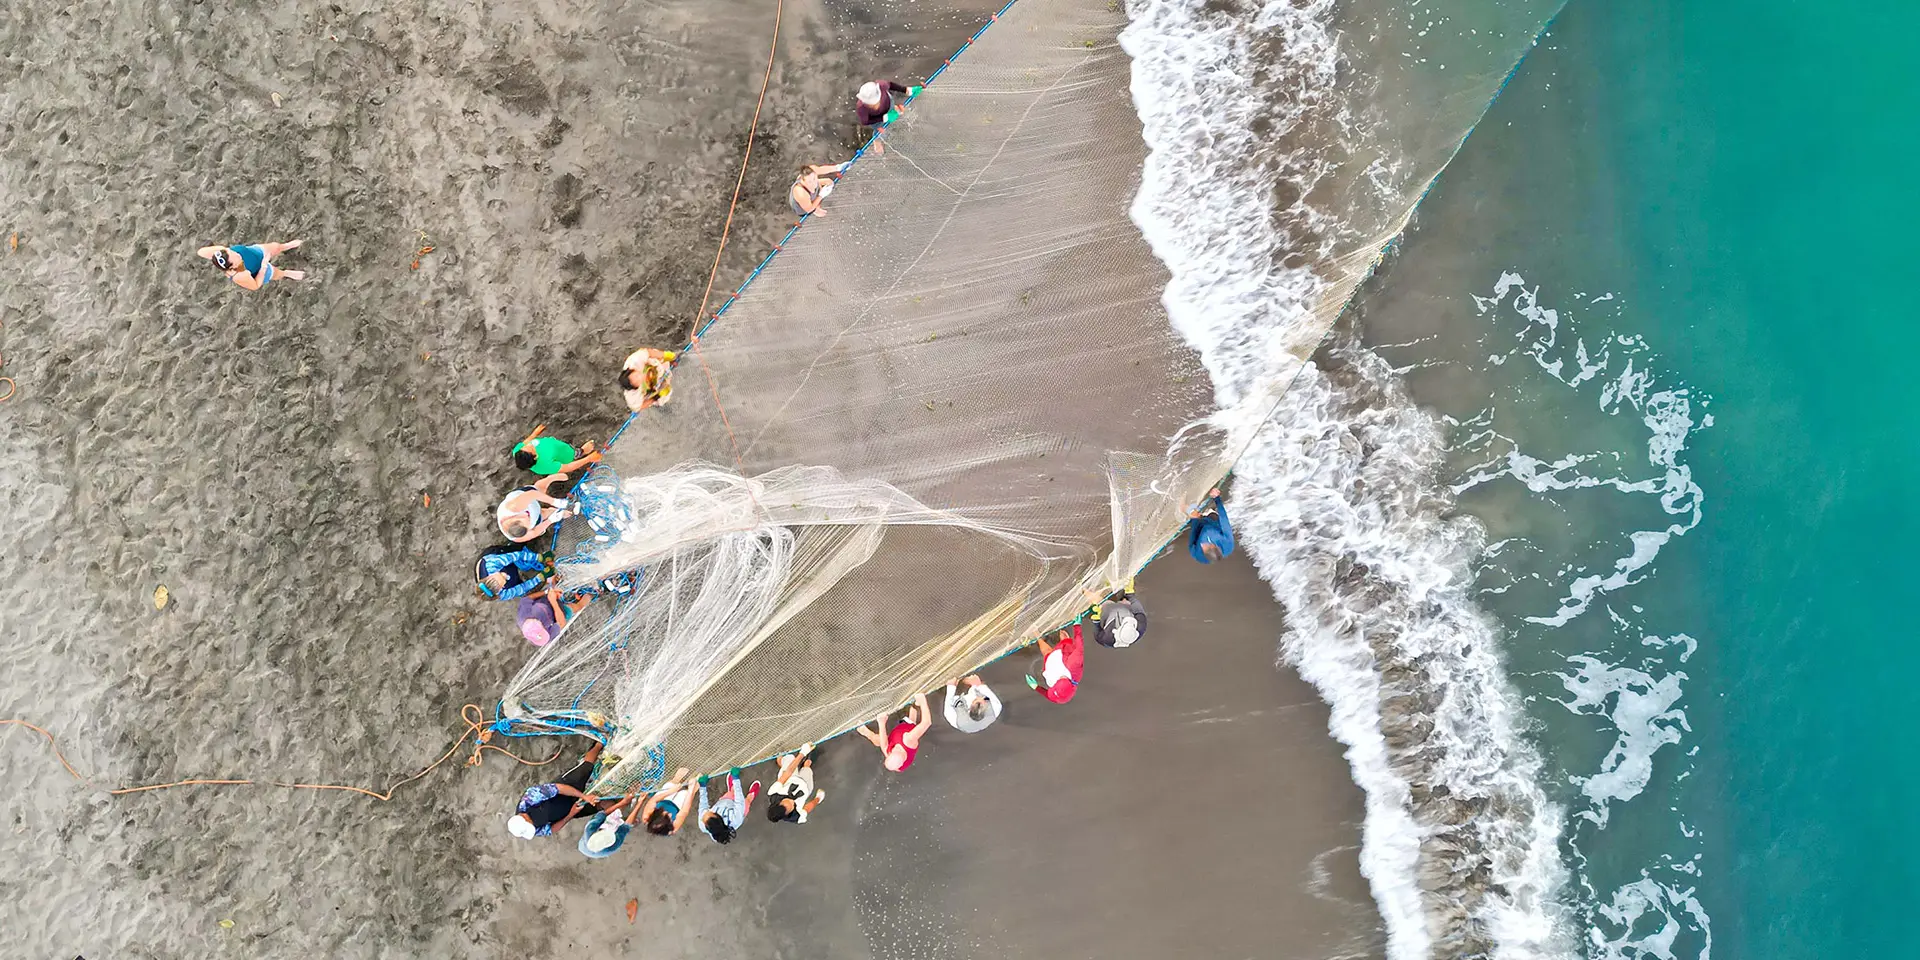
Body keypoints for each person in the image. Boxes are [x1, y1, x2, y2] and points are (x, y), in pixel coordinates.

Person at [507, 741, 605, 840]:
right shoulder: (530, 830)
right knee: (600, 805)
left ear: (523, 817)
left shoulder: (530, 798)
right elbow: (552, 829)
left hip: (565, 789)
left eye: (530, 824)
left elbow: (559, 788)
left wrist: (584, 797)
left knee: (586, 768)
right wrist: (571, 814)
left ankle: (599, 744)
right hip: (568, 811)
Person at [857, 692, 932, 772]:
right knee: (912, 717)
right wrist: (923, 700)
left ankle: (866, 733)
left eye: (892, 751)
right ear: (903, 756)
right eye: (896, 750)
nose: (894, 748)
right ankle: (916, 705)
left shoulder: (889, 751)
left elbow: (884, 745)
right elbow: (927, 722)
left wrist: (881, 722)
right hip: (907, 727)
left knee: (878, 741)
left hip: (896, 735)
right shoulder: (909, 740)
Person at [196, 240, 306, 290]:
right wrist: (264, 265)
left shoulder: (222, 252)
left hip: (253, 252)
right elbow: (255, 285)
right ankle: (287, 273)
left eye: (233, 252)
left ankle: (286, 246)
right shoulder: (239, 275)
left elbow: (200, 252)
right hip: (257, 270)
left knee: (276, 247)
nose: (238, 254)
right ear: (232, 267)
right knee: (277, 273)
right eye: (236, 257)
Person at [496, 472, 572, 542]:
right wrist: (551, 520)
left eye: (526, 519)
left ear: (514, 518)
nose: (527, 516)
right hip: (535, 513)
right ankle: (552, 511)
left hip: (527, 497)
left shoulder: (513, 507)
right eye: (529, 522)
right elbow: (534, 532)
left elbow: (532, 494)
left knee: (540, 489)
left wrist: (555, 502)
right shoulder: (518, 537)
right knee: (543, 513)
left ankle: (549, 479)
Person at [765, 743, 826, 824]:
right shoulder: (796, 817)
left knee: (789, 759)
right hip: (805, 787)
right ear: (787, 814)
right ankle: (805, 765)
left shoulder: (773, 793)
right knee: (807, 765)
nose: (792, 801)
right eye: (792, 805)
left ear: (779, 802)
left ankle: (780, 760)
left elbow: (788, 773)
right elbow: (807, 808)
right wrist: (817, 799)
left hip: (790, 778)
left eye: (787, 801)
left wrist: (803, 753)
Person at [854, 80, 921, 154]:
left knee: (892, 109)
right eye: (870, 105)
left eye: (876, 102)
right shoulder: (861, 108)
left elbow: (891, 85)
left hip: (888, 104)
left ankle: (894, 109)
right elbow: (865, 121)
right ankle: (877, 139)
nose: (875, 106)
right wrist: (884, 118)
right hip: (877, 118)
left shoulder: (882, 86)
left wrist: (907, 90)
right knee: (881, 130)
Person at [696, 769, 761, 845]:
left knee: (731, 793)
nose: (706, 812)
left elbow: (703, 806)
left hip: (725, 801)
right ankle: (751, 795)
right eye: (709, 812)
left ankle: (731, 789)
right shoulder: (736, 819)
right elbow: (740, 801)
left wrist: (702, 787)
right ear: (718, 817)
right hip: (740, 809)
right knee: (747, 801)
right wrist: (736, 779)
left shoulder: (702, 823)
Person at [1026, 625, 1085, 704]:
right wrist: (1077, 626)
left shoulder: (1059, 697)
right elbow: (1079, 648)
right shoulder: (1075, 667)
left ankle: (1037, 636)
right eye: (1062, 678)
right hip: (1065, 660)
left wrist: (1036, 687)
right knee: (1066, 642)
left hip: (1052, 668)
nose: (1060, 677)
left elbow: (1050, 696)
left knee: (1047, 653)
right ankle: (1062, 633)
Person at [513, 425, 601, 477]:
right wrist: (589, 459)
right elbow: (569, 467)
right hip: (565, 454)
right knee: (573, 453)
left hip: (556, 445)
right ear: (535, 457)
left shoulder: (517, 451)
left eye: (526, 446)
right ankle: (581, 452)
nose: (529, 445)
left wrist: (534, 433)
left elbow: (525, 442)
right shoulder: (545, 465)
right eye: (531, 448)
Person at [475, 543, 555, 601]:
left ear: (490, 575)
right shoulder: (500, 594)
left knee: (515, 549)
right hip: (502, 570)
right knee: (520, 589)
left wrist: (538, 557)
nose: (505, 575)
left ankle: (510, 546)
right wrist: (540, 578)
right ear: (499, 590)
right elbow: (521, 588)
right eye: (503, 581)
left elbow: (515, 556)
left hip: (497, 556)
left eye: (500, 574)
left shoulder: (491, 564)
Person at [1084, 586, 1149, 649]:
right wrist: (1130, 594)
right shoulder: (1141, 626)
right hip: (1125, 606)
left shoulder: (1107, 639)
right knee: (1125, 597)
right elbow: (1138, 609)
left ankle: (1083, 588)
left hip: (1108, 610)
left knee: (1096, 599)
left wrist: (1096, 621)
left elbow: (1098, 634)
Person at [578, 793, 639, 858]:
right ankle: (624, 819)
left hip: (582, 846)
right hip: (591, 849)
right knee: (632, 821)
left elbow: (604, 814)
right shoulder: (613, 847)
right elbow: (626, 826)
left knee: (607, 804)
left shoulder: (589, 828)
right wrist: (640, 803)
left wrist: (623, 802)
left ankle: (618, 814)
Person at [517, 588, 585, 646]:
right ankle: (590, 593)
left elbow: (529, 598)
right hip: (558, 614)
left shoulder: (524, 612)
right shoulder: (545, 637)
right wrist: (553, 601)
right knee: (577, 607)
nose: (545, 629)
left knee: (556, 586)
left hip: (545, 600)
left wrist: (547, 592)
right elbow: (562, 623)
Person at [1187, 486, 1235, 564]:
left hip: (1200, 527)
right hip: (1214, 522)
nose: (1202, 544)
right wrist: (1216, 498)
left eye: (1202, 546)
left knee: (1188, 509)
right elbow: (1224, 520)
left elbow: (1194, 531)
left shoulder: (1196, 553)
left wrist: (1195, 518)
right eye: (1205, 545)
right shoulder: (1228, 543)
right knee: (1213, 514)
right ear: (1214, 545)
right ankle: (1211, 510)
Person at [640, 768, 695, 836]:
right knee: (686, 793)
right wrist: (691, 790)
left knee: (669, 785)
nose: (670, 814)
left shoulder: (647, 816)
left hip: (662, 801)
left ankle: (676, 779)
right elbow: (684, 811)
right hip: (676, 807)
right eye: (670, 819)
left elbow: (653, 800)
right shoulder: (674, 827)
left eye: (666, 815)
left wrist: (671, 791)